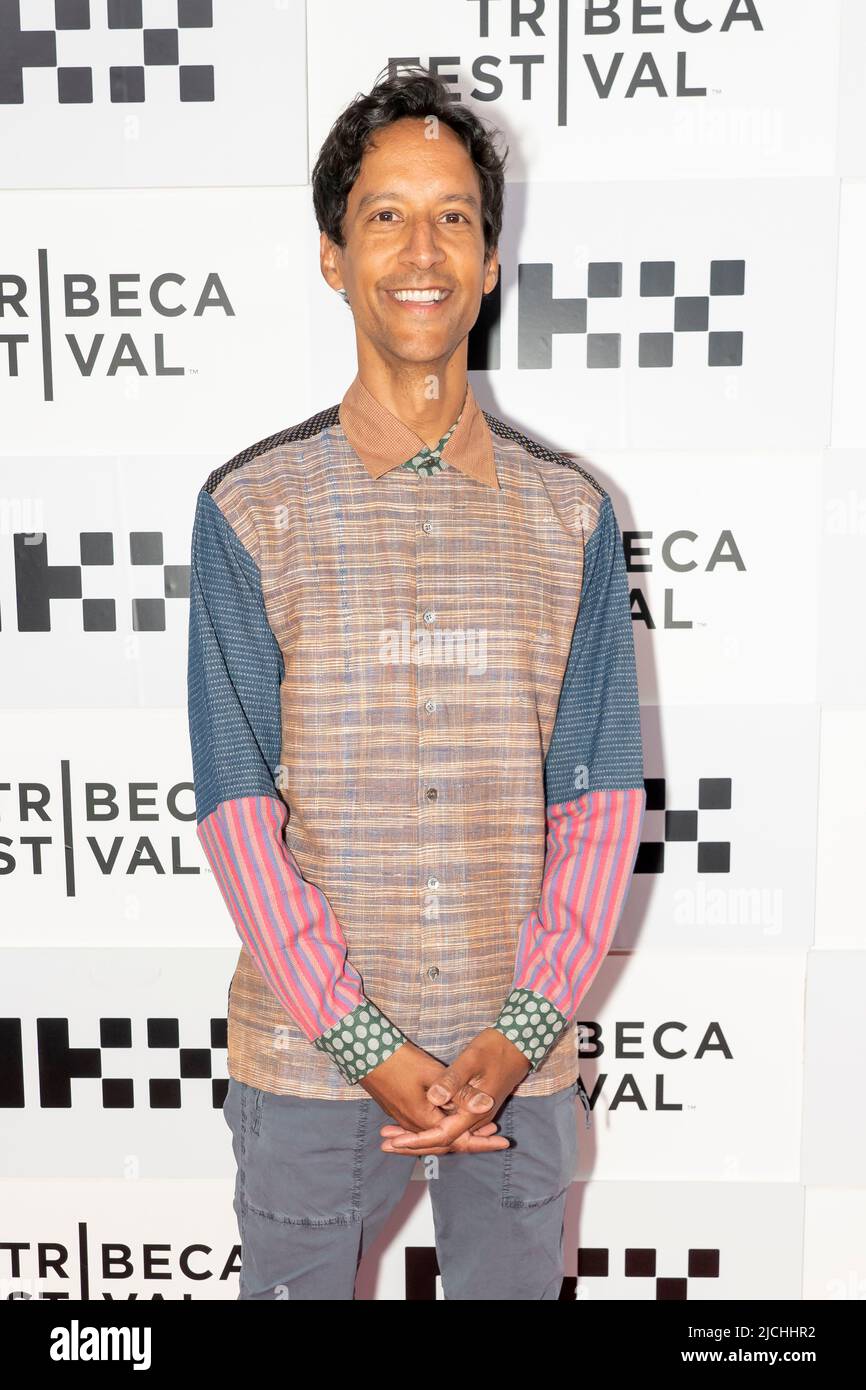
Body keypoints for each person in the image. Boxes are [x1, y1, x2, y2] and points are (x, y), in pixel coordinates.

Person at [186, 64, 646, 1301]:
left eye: (452, 214)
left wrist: (519, 1036)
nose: (420, 248)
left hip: (522, 1065)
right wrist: (362, 1040)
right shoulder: (251, 507)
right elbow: (234, 808)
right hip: (305, 1059)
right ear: (333, 257)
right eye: (384, 214)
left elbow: (600, 803)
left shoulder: (571, 515)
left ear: (491, 260)